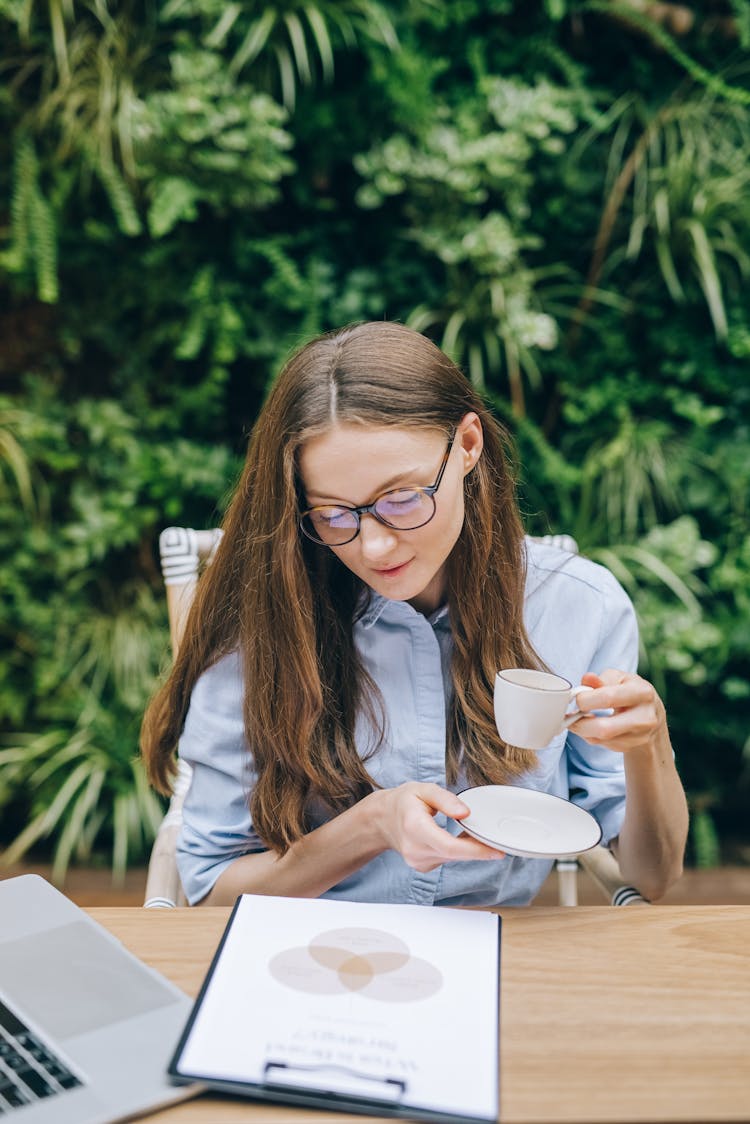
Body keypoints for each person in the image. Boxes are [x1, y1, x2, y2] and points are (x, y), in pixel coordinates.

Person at [141, 320, 688, 907]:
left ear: (469, 446)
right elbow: (211, 891)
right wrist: (371, 827)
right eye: (332, 515)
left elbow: (650, 878)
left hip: (499, 960)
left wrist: (649, 743)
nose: (373, 548)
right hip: (313, 960)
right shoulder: (264, 620)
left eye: (402, 499)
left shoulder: (580, 607)